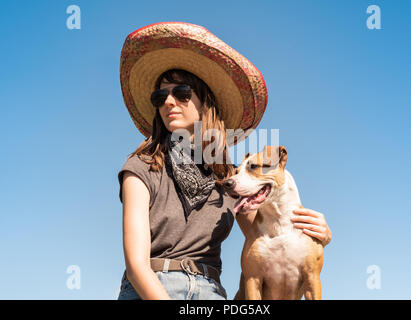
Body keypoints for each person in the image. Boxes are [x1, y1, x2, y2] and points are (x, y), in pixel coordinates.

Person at [116, 22, 331, 300]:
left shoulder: (231, 177)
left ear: (206, 102)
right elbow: (136, 266)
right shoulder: (142, 166)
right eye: (160, 96)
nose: (168, 102)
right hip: (151, 288)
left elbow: (269, 237)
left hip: (210, 291)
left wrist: (318, 234)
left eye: (181, 93)